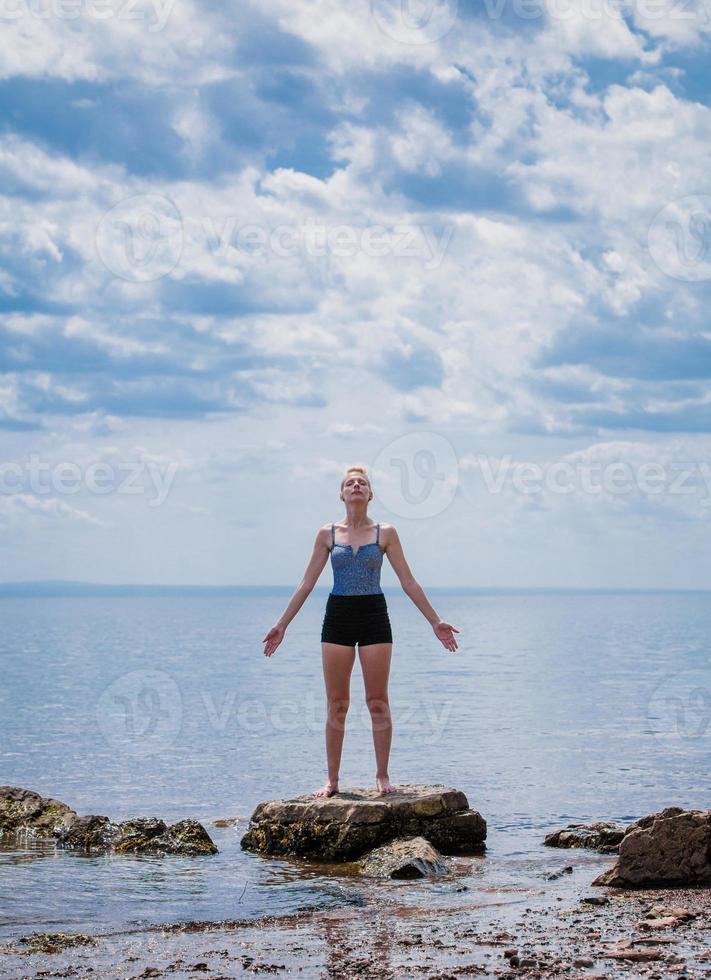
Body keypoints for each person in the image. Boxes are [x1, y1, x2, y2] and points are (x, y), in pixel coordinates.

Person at [262, 464, 459, 798]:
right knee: (337, 703)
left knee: (377, 701)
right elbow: (307, 582)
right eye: (350, 482)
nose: (356, 485)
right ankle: (332, 781)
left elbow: (408, 581)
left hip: (373, 615)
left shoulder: (386, 533)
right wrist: (282, 624)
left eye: (362, 483)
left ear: (370, 494)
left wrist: (435, 621)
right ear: (342, 494)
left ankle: (382, 777)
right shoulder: (327, 534)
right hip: (338, 614)